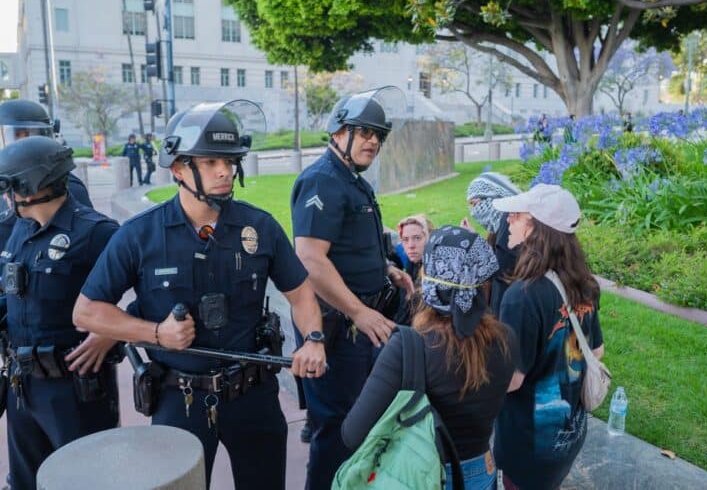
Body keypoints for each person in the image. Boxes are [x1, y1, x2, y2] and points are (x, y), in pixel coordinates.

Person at [72, 100, 326, 490]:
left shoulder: (260, 227)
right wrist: (156, 333)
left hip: (253, 394)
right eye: (209, 162)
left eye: (229, 160)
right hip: (179, 398)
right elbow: (87, 312)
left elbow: (302, 294)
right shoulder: (139, 235)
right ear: (178, 168)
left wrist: (312, 339)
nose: (225, 170)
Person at [290, 86, 414, 490]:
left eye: (379, 135)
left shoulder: (352, 179)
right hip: (340, 329)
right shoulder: (323, 181)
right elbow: (310, 259)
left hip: (363, 324)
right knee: (337, 429)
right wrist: (360, 311)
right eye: (365, 132)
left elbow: (348, 244)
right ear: (339, 132)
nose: (374, 142)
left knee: (360, 421)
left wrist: (387, 269)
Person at [342, 226, 517, 490]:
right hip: (481, 472)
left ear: (431, 281)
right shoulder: (506, 339)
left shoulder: (408, 346)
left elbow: (352, 434)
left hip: (420, 475)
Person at [0, 136, 120, 489]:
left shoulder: (97, 232)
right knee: (26, 481)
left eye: (9, 184)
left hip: (75, 388)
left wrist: (111, 333)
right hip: (23, 385)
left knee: (84, 480)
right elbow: (16, 297)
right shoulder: (21, 230)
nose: (6, 195)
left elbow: (149, 294)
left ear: (30, 184)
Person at [491, 184, 605, 490]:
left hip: (528, 445)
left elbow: (511, 380)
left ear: (537, 228)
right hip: (568, 436)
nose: (508, 221)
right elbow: (597, 350)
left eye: (517, 215)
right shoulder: (584, 284)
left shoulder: (521, 296)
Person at [0, 99, 92, 209]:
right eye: (16, 135)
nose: (21, 144)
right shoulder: (5, 181)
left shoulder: (65, 188)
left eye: (28, 135)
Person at [463, 171, 521, 317]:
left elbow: (501, 269)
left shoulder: (508, 223)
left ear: (493, 198)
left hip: (512, 306)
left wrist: (475, 243)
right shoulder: (501, 224)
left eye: (475, 204)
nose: (473, 211)